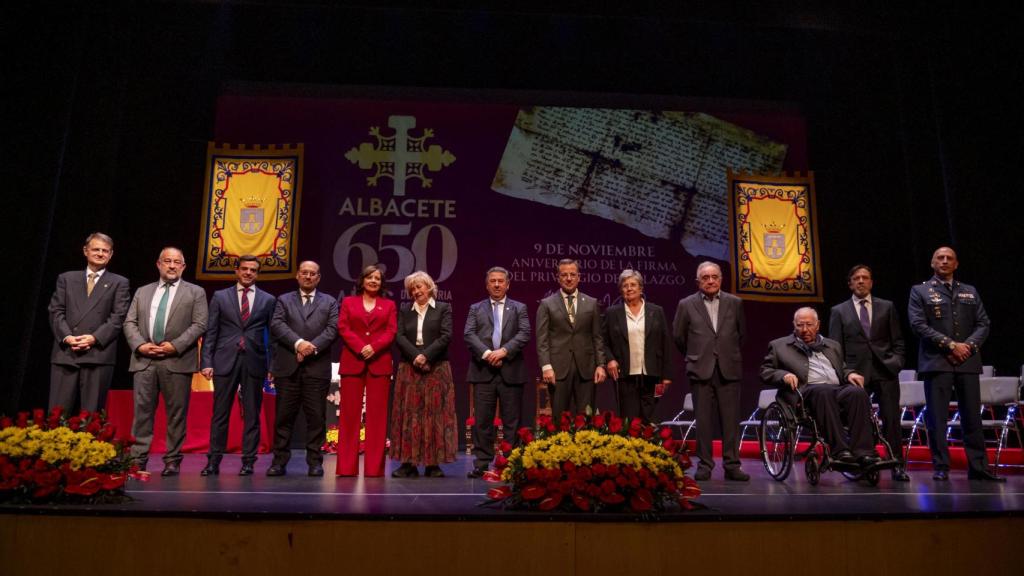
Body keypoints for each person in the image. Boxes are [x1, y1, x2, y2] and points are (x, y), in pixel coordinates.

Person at [908, 246, 1002, 482]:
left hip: (967, 361)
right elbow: (918, 325)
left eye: (949, 258)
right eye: (940, 258)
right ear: (932, 263)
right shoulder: (920, 291)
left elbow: (983, 323)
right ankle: (941, 467)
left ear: (956, 264)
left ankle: (978, 467)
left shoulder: (970, 291)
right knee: (937, 417)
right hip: (936, 362)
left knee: (972, 416)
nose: (945, 261)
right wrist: (951, 345)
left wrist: (967, 346)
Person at [123, 247, 208, 477]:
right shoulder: (142, 291)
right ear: (158, 264)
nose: (172, 265)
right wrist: (140, 345)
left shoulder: (195, 292)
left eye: (177, 262)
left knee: (176, 414)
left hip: (177, 360)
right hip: (145, 360)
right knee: (142, 413)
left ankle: (172, 460)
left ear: (183, 266)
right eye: (167, 261)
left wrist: (175, 345)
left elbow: (200, 324)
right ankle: (138, 459)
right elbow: (129, 322)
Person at [760, 307, 878, 467]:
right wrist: (783, 375)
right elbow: (765, 371)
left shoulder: (832, 346)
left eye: (809, 325)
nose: (804, 329)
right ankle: (840, 450)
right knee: (824, 390)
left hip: (836, 390)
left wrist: (849, 374)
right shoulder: (779, 346)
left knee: (857, 393)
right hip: (805, 394)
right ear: (794, 325)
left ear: (818, 325)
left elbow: (841, 368)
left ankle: (864, 452)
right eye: (800, 325)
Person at [829, 264, 909, 481]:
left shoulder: (887, 307)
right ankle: (864, 462)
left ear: (871, 282)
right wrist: (845, 372)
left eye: (865, 278)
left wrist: (896, 363)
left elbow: (898, 340)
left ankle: (897, 465)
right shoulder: (839, 311)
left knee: (891, 419)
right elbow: (835, 347)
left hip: (885, 370)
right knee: (860, 419)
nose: (861, 281)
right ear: (850, 283)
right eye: (856, 278)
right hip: (856, 373)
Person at [199, 255, 276, 476]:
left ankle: (249, 461)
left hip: (254, 361)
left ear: (257, 273)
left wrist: (273, 366)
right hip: (225, 360)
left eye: (253, 269)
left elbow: (273, 337)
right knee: (220, 414)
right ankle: (213, 461)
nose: (248, 273)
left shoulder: (268, 299)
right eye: (244, 269)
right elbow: (211, 331)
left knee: (252, 414)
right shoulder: (220, 297)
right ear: (236, 270)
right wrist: (206, 361)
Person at [673, 261, 749, 481]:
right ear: (698, 281)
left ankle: (732, 465)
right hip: (700, 369)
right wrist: (696, 355)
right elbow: (679, 336)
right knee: (703, 421)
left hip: (729, 368)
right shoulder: (686, 304)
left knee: (731, 420)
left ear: (721, 279)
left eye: (714, 276)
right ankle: (705, 465)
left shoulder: (735, 303)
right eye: (705, 278)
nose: (710, 281)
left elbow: (741, 334)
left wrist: (725, 352)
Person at [266, 261, 338, 478]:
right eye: (304, 273)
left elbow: (333, 329)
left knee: (316, 418)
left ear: (318, 278)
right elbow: (277, 325)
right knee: (283, 418)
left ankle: (315, 463)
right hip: (288, 368)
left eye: (312, 274)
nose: (308, 276)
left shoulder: (330, 302)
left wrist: (309, 348)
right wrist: (298, 344)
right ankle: (279, 462)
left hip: (317, 368)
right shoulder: (283, 300)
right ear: (297, 276)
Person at [48, 232, 131, 413]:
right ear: (85, 251)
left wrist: (94, 338)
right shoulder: (66, 279)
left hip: (98, 354)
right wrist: (68, 337)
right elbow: (56, 311)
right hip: (66, 353)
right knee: (57, 414)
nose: (100, 253)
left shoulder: (119, 282)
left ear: (111, 254)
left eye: (105, 250)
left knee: (92, 417)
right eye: (96, 249)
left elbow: (119, 317)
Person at [464, 266, 531, 478]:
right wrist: (487, 354)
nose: (496, 284)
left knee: (512, 421)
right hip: (483, 371)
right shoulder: (476, 308)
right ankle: (482, 463)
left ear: (508, 284)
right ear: (486, 285)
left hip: (511, 370)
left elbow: (524, 333)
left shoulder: (519, 308)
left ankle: (510, 462)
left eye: (501, 281)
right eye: (492, 281)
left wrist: (503, 351)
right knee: (482, 421)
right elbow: (469, 334)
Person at [390, 271, 457, 478]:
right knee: (409, 414)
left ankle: (432, 464)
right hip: (409, 367)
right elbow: (399, 336)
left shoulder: (443, 308)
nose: (416, 291)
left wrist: (426, 356)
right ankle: (408, 463)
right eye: (412, 288)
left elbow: (446, 335)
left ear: (430, 288)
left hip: (436, 367)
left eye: (420, 286)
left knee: (435, 414)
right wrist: (416, 357)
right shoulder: (404, 310)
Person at [337, 264, 396, 477]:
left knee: (377, 418)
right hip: (353, 361)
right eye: (370, 277)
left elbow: (391, 331)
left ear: (381, 283)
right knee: (349, 416)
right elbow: (343, 327)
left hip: (379, 363)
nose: (373, 281)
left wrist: (375, 347)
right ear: (361, 281)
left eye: (377, 278)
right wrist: (361, 347)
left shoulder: (388, 305)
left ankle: (374, 469)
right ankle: (346, 467)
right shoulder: (348, 302)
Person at [536, 258, 607, 420]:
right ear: (558, 278)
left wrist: (601, 365)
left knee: (586, 417)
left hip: (586, 368)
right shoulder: (547, 304)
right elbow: (542, 338)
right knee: (560, 418)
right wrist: (546, 366)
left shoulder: (591, 303)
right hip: (558, 369)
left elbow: (597, 337)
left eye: (572, 274)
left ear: (579, 277)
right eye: (564, 275)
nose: (568, 278)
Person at [604, 269, 673, 424]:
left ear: (641, 288)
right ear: (620, 290)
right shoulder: (612, 313)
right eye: (625, 285)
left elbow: (665, 343)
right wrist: (610, 360)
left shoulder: (656, 311)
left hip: (653, 375)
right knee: (629, 419)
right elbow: (603, 341)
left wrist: (667, 375)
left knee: (651, 418)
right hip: (625, 375)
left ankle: (651, 447)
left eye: (633, 285)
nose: (629, 288)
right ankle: (630, 448)